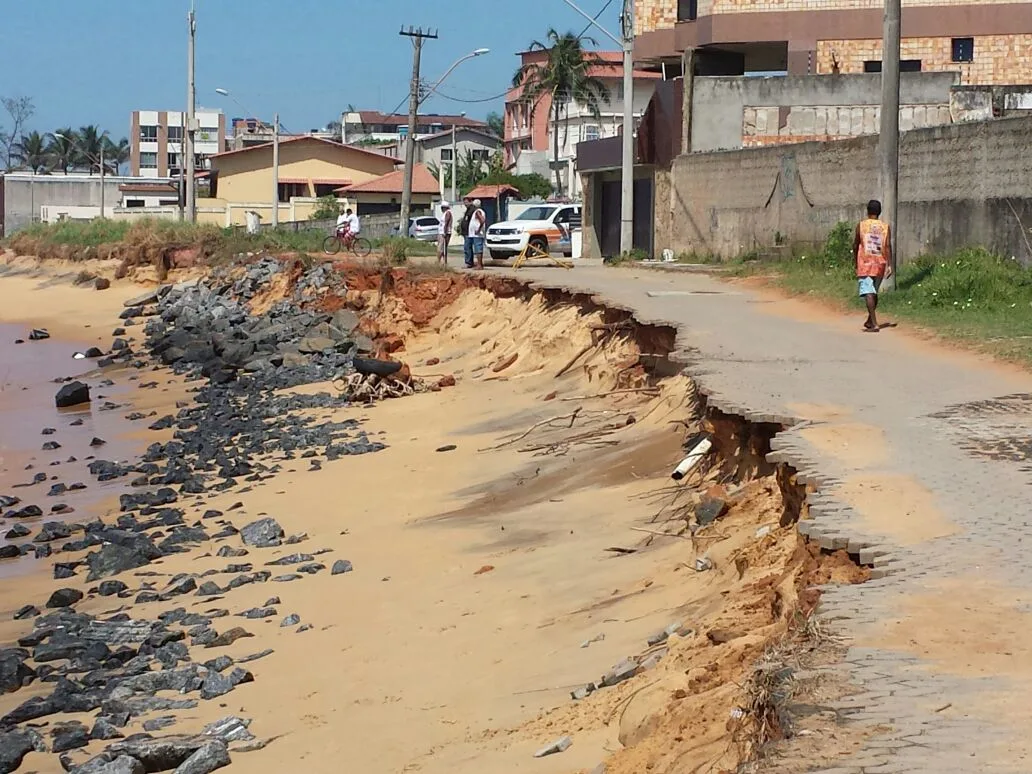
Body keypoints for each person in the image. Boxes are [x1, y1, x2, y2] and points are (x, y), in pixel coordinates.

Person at [852, 199, 893, 332]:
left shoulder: (861, 225)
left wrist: (855, 261)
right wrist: (890, 265)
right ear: (879, 212)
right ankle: (870, 320)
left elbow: (856, 243)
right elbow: (887, 246)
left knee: (869, 293)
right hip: (880, 263)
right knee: (873, 292)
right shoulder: (885, 227)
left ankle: (875, 324)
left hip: (865, 263)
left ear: (868, 211)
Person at [468, 198, 487, 270]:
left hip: (477, 234)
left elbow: (482, 220)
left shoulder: (478, 212)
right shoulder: (480, 211)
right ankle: (480, 264)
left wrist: (478, 230)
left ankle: (479, 265)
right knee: (478, 248)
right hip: (476, 234)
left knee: (478, 249)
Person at [459, 199, 476, 268]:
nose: (465, 204)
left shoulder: (472, 209)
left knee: (467, 247)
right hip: (466, 232)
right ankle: (469, 262)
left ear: (470, 202)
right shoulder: (468, 210)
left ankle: (469, 262)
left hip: (469, 232)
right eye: (464, 202)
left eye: (466, 202)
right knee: (467, 247)